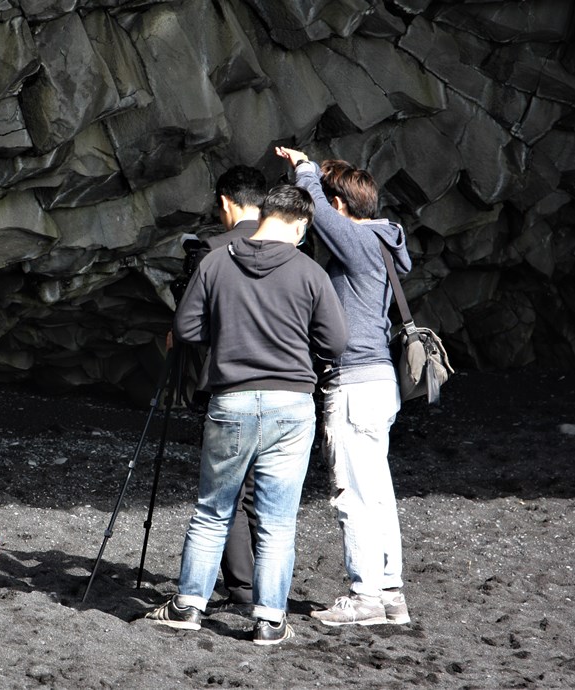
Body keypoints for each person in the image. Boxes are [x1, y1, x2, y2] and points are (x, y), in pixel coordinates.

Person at [145, 185, 348, 645]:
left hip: (232, 399)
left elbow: (186, 328)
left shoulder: (216, 262)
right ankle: (270, 620)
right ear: (300, 224)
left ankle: (187, 606)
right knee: (277, 520)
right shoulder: (309, 271)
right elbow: (336, 342)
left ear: (263, 217)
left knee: (213, 510)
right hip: (292, 403)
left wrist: (230, 329)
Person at [276, 146, 413, 626]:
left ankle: (364, 597)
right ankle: (390, 593)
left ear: (340, 206)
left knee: (352, 493)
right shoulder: (382, 242)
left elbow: (314, 202)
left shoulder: (357, 240)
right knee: (377, 491)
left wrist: (306, 171)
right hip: (377, 383)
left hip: (353, 384)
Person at [200, 165, 267, 611]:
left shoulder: (212, 250)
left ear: (226, 202)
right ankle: (269, 593)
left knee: (228, 493)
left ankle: (240, 586)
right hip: (289, 391)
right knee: (271, 496)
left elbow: (192, 324)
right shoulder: (292, 251)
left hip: (232, 386)